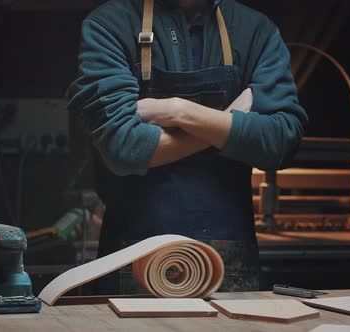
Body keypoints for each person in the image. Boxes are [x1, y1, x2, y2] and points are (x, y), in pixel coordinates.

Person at [67, 0, 308, 294]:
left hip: (229, 266)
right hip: (133, 262)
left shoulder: (255, 30)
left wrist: (179, 111)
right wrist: (230, 122)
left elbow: (281, 141)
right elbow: (124, 147)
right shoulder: (110, 25)